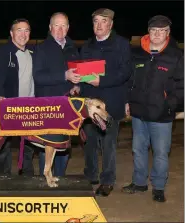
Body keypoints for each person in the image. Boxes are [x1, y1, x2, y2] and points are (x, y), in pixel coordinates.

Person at [67, 8, 131, 196]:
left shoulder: (122, 44)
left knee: (108, 143)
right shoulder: (87, 46)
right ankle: (90, 175)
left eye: (104, 21)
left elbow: (125, 73)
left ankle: (107, 180)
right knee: (90, 142)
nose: (99, 25)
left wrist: (101, 81)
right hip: (89, 105)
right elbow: (81, 72)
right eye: (96, 21)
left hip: (111, 103)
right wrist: (78, 87)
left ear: (111, 24)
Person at [122, 15, 184, 202]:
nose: (157, 34)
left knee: (160, 152)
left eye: (162, 31)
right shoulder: (137, 53)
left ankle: (158, 186)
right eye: (154, 30)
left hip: (161, 114)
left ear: (168, 33)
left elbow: (182, 85)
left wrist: (172, 106)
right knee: (138, 149)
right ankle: (139, 183)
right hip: (139, 112)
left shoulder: (176, 55)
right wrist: (127, 101)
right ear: (148, 32)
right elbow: (129, 81)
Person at [33, 12, 80, 176]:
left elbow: (77, 74)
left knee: (64, 144)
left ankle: (60, 179)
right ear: (50, 27)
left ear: (68, 28)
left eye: (63, 26)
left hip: (67, 106)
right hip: (47, 106)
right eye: (56, 25)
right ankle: (44, 180)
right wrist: (63, 76)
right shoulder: (41, 49)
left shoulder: (72, 48)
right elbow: (38, 77)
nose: (60, 30)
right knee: (47, 145)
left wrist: (76, 85)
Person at [0, 18, 36, 175]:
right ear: (11, 33)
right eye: (19, 30)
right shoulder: (4, 52)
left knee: (29, 144)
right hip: (10, 107)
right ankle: (4, 178)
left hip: (30, 107)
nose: (23, 34)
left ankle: (27, 176)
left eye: (26, 30)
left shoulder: (33, 52)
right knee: (4, 145)